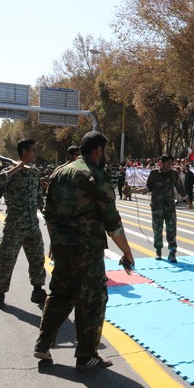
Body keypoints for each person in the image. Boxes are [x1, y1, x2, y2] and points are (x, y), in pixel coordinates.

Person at [35, 131, 135, 369]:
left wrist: (54, 241)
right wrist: (127, 253)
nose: (105, 155)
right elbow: (112, 223)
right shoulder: (96, 177)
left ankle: (42, 345)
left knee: (59, 295)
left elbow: (48, 214)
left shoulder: (59, 172)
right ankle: (86, 355)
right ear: (98, 150)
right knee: (92, 300)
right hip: (87, 251)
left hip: (61, 248)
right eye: (105, 151)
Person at [0, 139, 47, 309]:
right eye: (32, 150)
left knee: (37, 259)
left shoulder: (34, 172)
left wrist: (42, 203)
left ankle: (37, 290)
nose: (35, 153)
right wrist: (16, 169)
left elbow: (38, 193)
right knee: (7, 260)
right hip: (14, 225)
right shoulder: (10, 171)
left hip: (32, 224)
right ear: (24, 152)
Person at [136, 155, 191, 263]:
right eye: (168, 163)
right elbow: (149, 187)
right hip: (157, 206)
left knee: (171, 229)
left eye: (171, 163)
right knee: (157, 229)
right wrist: (142, 189)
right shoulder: (154, 174)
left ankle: (172, 252)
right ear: (161, 162)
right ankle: (158, 250)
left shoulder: (174, 174)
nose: (170, 165)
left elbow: (180, 188)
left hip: (170, 207)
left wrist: (188, 200)